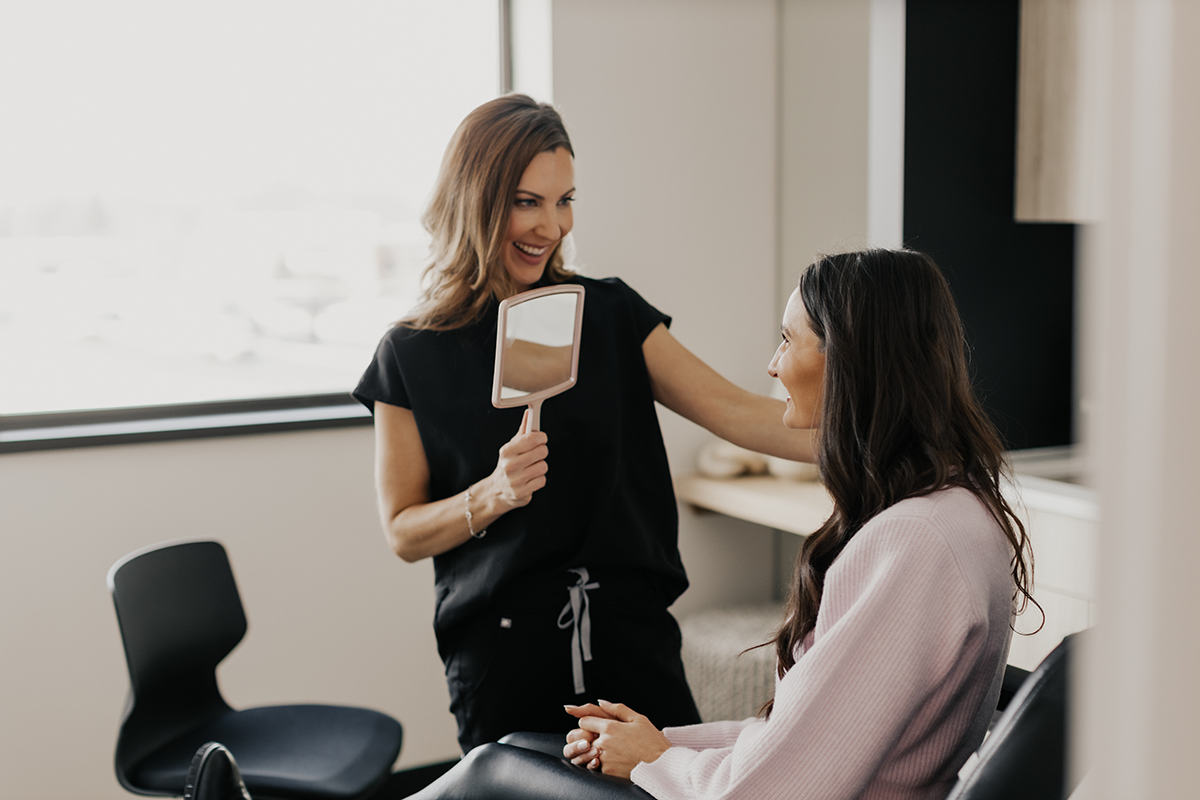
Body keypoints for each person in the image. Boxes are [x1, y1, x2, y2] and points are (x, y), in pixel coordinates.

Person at [407, 248, 1038, 800]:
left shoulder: (913, 541)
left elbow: (783, 783)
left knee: (490, 770)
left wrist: (658, 761)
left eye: (788, 340)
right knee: (517, 746)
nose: (771, 364)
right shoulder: (957, 509)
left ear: (851, 361)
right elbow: (803, 738)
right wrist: (664, 743)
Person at [352, 94, 813, 753]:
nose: (552, 225)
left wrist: (895, 435)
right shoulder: (410, 354)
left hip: (631, 637)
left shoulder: (612, 315)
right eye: (527, 201)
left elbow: (743, 417)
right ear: (475, 200)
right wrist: (493, 493)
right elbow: (403, 531)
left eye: (564, 200)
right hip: (504, 652)